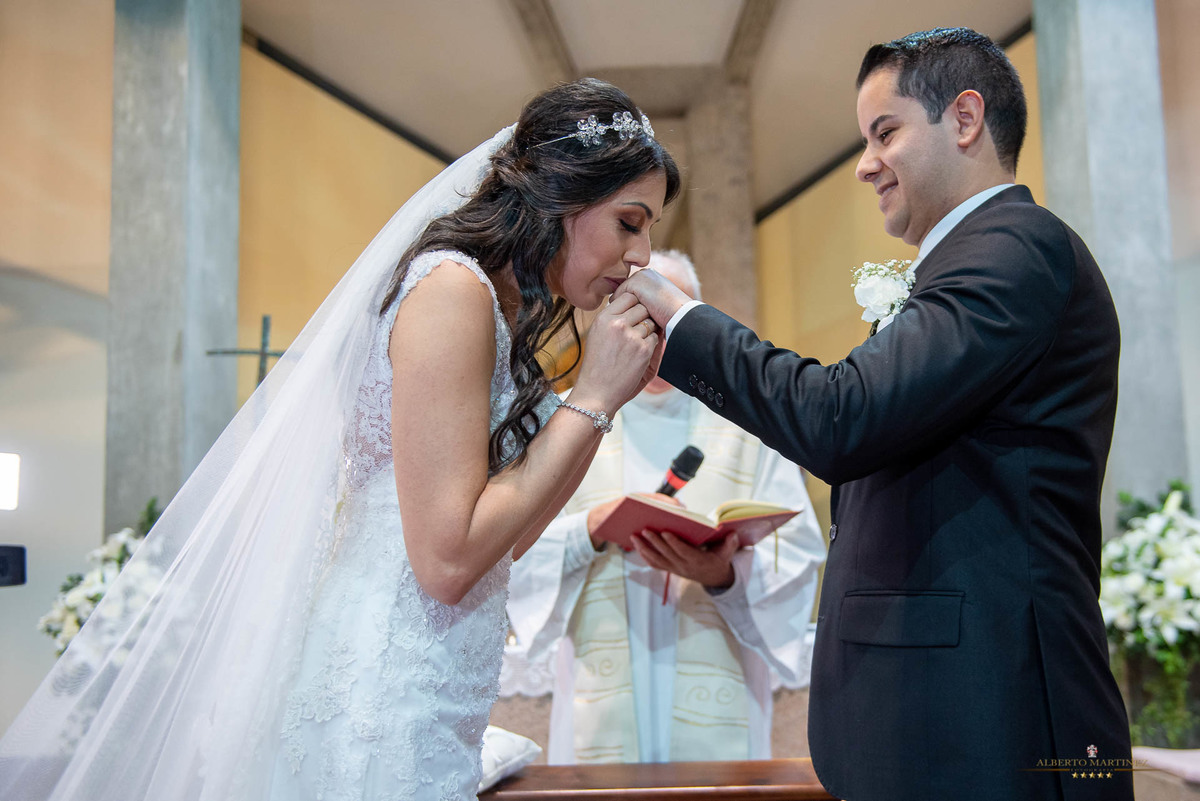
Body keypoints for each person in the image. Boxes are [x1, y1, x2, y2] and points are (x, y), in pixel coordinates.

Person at [0, 78, 680, 801]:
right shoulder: (452, 292)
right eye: (629, 222)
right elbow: (448, 560)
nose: (641, 254)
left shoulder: (496, 306)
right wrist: (593, 396)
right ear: (561, 195)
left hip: (429, 685)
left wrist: (601, 403)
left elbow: (505, 540)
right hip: (380, 690)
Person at [618, 28, 1132, 801]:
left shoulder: (1015, 249)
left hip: (991, 717)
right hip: (936, 719)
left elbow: (842, 417)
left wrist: (684, 321)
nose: (864, 164)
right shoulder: (965, 264)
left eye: (884, 132)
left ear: (965, 119)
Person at [505, 250, 826, 765]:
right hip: (600, 692)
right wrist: (590, 529)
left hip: (717, 683)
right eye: (640, 320)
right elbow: (510, 548)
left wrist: (723, 574)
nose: (656, 341)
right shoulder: (565, 418)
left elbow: (797, 554)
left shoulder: (748, 426)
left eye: (671, 324)